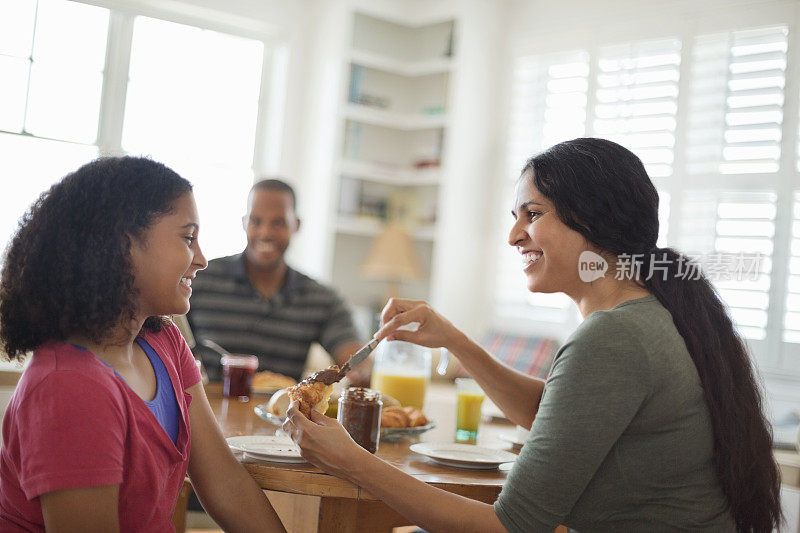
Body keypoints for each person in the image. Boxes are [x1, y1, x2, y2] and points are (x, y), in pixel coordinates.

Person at [283, 138, 782, 532]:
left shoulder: (613, 339)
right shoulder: (649, 317)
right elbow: (560, 418)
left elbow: (511, 526)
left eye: (533, 214)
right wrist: (454, 340)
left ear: (591, 219)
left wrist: (349, 461)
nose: (513, 235)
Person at [0, 157, 285, 532]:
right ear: (122, 243)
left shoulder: (164, 342)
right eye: (188, 237)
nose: (201, 260)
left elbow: (226, 485)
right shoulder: (68, 386)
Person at [187, 178, 365, 383]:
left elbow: (354, 360)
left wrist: (364, 370)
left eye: (278, 223)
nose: (266, 233)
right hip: (209, 411)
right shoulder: (199, 280)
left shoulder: (321, 298)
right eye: (256, 221)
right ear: (244, 223)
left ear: (296, 225)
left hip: (282, 413)